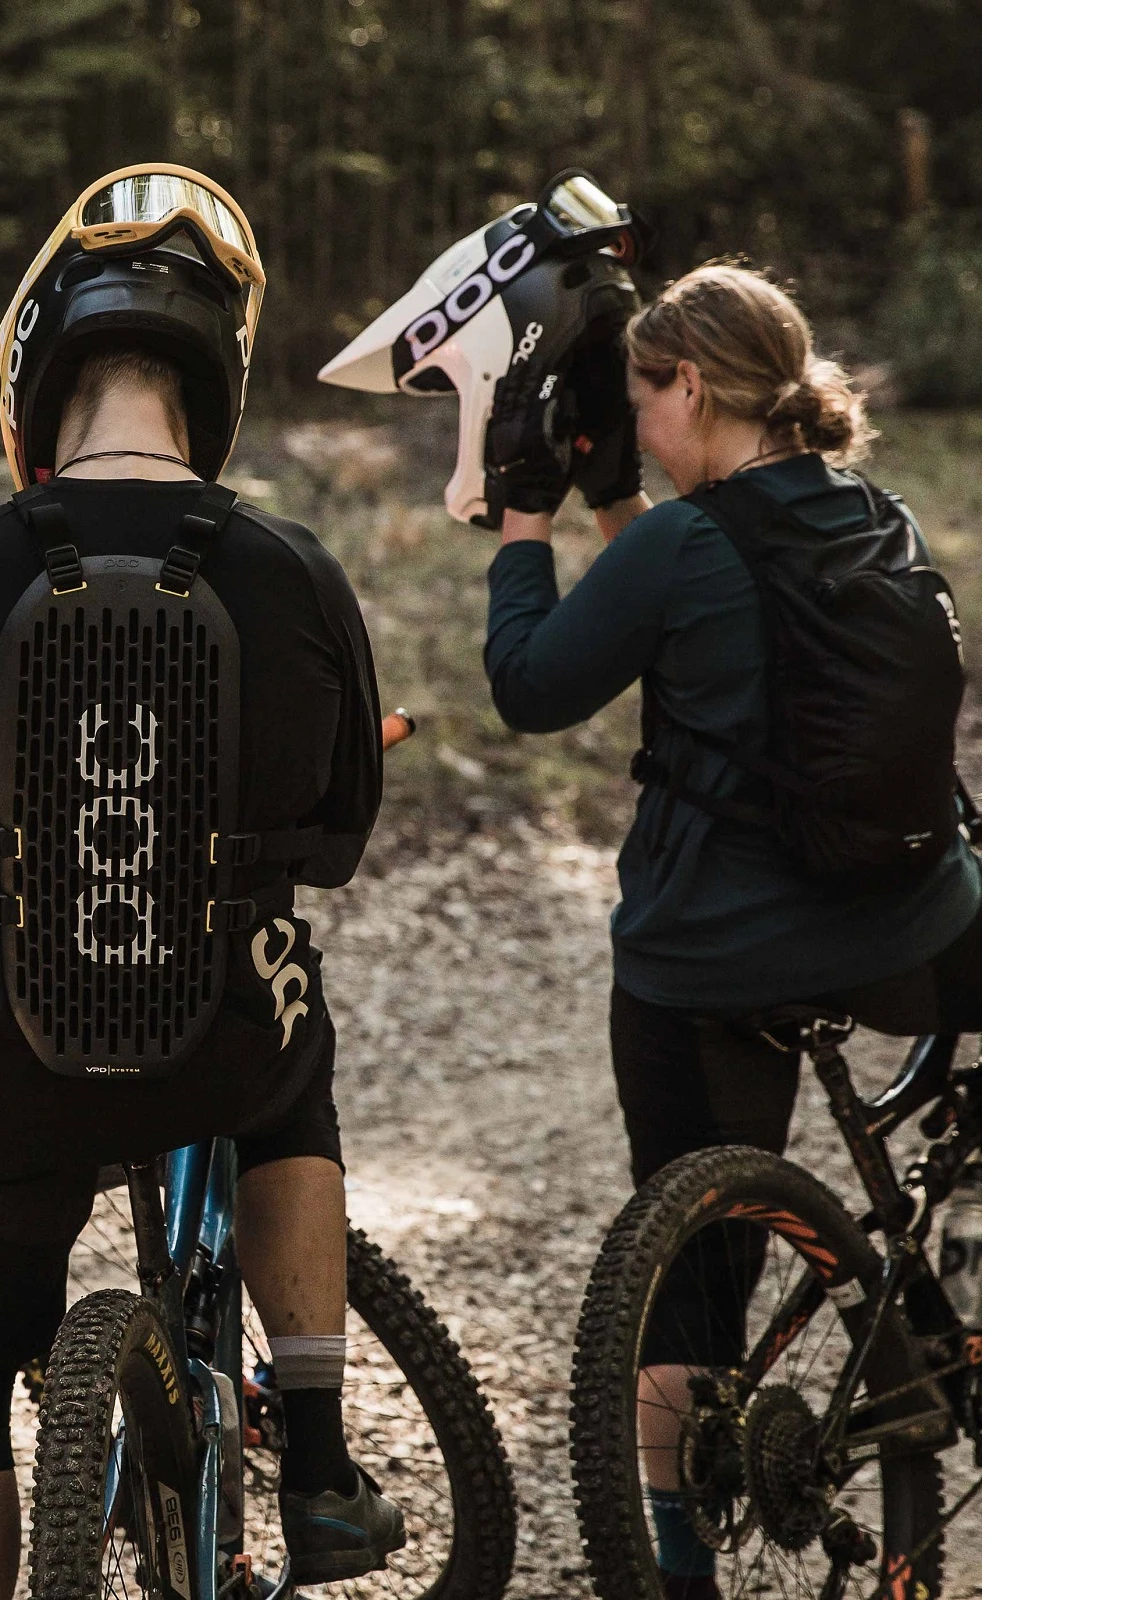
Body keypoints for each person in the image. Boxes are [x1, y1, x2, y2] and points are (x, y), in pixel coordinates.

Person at [0, 165, 404, 1599]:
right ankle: (316, 1463)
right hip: (222, 1046)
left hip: (12, 1056)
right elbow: (337, 836)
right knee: (296, 1077)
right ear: (214, 385)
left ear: (39, 376)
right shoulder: (295, 573)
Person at [480, 262, 980, 1600]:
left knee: (695, 1277)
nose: (639, 428)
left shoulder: (678, 548)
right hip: (909, 934)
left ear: (691, 386)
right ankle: (957, 1252)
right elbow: (712, 588)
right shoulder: (876, 514)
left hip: (719, 963)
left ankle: (681, 1560)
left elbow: (531, 687)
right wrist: (618, 506)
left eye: (644, 401)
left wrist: (526, 521)